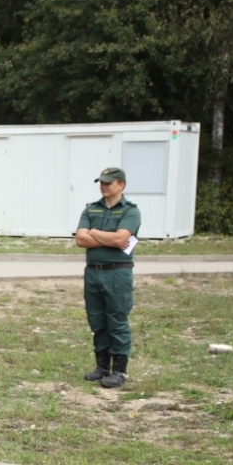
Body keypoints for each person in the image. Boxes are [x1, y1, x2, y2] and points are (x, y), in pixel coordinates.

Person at [75, 166, 140, 388]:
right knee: (97, 320)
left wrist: (93, 232)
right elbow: (80, 240)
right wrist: (106, 237)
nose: (103, 186)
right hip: (93, 273)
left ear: (121, 185)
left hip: (117, 273)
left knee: (117, 321)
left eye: (108, 182)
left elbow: (121, 240)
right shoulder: (91, 210)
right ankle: (102, 367)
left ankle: (119, 371)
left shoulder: (130, 211)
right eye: (101, 182)